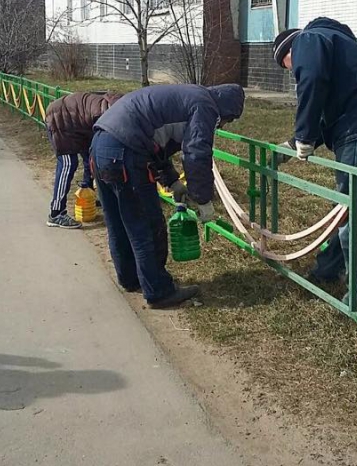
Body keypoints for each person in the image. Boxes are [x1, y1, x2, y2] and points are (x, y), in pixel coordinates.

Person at [273, 18, 357, 292]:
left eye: (287, 67)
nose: (292, 72)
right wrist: (292, 143)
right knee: (349, 205)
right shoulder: (332, 42)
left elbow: (310, 81)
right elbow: (332, 115)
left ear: (288, 53)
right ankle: (328, 268)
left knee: (354, 212)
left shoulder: (307, 41)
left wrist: (304, 135)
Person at [91, 83, 245, 309]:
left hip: (100, 145)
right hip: (125, 151)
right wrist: (203, 199)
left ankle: (131, 278)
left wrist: (172, 181)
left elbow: (156, 143)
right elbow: (196, 153)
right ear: (226, 110)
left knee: (118, 222)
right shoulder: (206, 107)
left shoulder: (188, 97)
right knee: (147, 225)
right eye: (227, 121)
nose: (222, 126)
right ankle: (159, 292)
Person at [45, 90, 121, 228]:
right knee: (68, 164)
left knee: (90, 158)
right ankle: (56, 213)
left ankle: (88, 193)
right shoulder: (101, 115)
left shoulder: (109, 106)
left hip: (77, 124)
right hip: (60, 120)